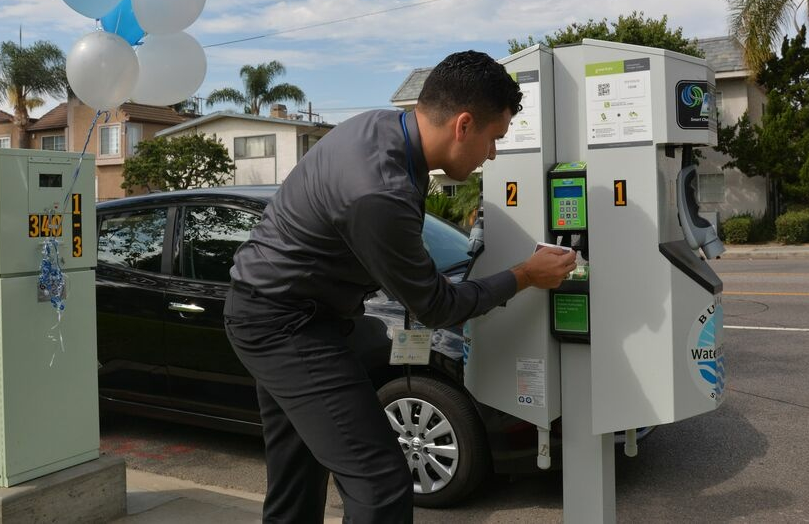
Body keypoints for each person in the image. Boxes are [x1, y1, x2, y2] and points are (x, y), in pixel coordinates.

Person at [224, 50, 578, 523]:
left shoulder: (379, 129)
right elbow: (435, 306)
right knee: (381, 481)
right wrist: (525, 275)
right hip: (286, 326)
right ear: (464, 125)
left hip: (275, 309)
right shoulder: (379, 190)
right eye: (494, 138)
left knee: (297, 474)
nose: (492, 154)